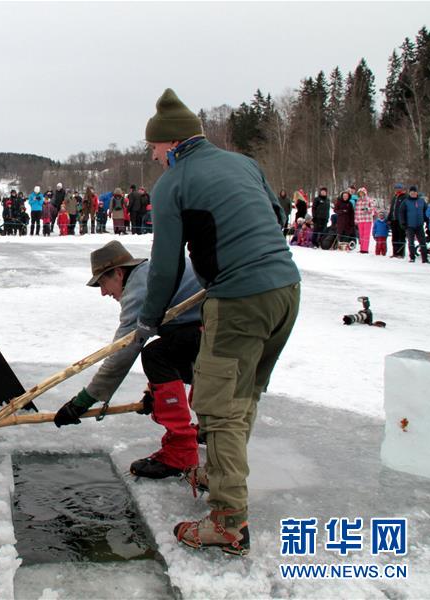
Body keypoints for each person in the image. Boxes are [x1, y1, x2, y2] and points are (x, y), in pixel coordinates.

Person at [139, 88, 300, 555]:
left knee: (219, 405)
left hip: (240, 300)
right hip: (286, 288)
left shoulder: (173, 182)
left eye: (153, 147)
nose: (152, 156)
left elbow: (165, 265)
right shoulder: (244, 162)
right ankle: (221, 475)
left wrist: (149, 320)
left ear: (171, 143)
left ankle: (229, 521)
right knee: (244, 389)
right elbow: (278, 214)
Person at [54, 241, 202, 478]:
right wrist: (155, 394)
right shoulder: (147, 274)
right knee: (171, 345)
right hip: (220, 324)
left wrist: (82, 401)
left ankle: (181, 452)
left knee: (156, 355)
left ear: (119, 273)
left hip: (221, 328)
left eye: (103, 283)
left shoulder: (139, 291)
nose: (103, 292)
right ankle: (206, 427)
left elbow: (122, 352)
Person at [399, 186, 429, 263]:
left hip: (419, 225)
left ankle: (424, 259)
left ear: (416, 193)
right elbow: (401, 212)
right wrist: (403, 222)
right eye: (411, 193)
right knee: (411, 242)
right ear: (409, 193)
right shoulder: (406, 201)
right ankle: (412, 257)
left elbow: (426, 211)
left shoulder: (421, 201)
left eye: (414, 192)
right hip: (409, 225)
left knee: (422, 242)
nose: (413, 194)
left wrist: (427, 220)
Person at [387, 184, 407, 258]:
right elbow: (392, 209)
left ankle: (401, 253)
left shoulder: (405, 197)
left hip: (401, 220)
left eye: (399, 188)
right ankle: (395, 252)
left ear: (402, 189)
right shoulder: (394, 197)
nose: (397, 190)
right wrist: (389, 218)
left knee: (401, 236)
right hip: (393, 219)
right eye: (396, 188)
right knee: (394, 237)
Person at [354, 187, 375, 254]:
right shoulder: (358, 201)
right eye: (360, 193)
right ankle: (361, 248)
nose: (361, 194)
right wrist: (356, 219)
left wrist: (367, 209)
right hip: (360, 219)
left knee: (366, 234)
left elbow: (372, 209)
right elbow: (356, 211)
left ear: (365, 193)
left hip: (367, 219)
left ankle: (365, 249)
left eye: (362, 193)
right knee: (361, 234)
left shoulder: (369, 200)